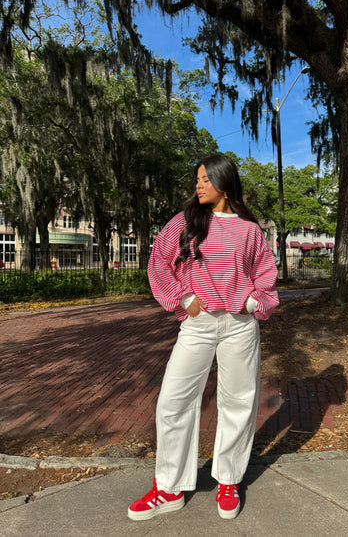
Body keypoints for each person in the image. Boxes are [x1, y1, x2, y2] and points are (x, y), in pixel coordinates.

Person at [128, 154, 279, 521]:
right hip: (197, 325)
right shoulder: (184, 221)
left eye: (205, 179)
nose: (198, 185)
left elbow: (265, 271)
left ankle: (228, 480)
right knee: (173, 400)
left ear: (224, 183)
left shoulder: (249, 229)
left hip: (239, 326)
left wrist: (252, 300)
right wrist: (183, 297)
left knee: (238, 401)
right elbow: (159, 262)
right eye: (196, 179)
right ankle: (169, 487)